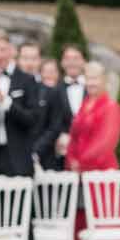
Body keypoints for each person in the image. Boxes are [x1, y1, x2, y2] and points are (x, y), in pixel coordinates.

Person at [63, 60, 120, 240]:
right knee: (80, 219)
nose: (91, 83)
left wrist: (84, 162)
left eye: (95, 78)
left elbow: (106, 142)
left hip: (100, 175)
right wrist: (71, 159)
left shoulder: (111, 107)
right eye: (88, 78)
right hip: (80, 174)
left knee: (98, 220)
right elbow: (74, 136)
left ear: (105, 80)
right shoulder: (84, 105)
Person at [0, 29, 41, 179]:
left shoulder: (27, 80)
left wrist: (5, 101)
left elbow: (32, 119)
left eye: (2, 50)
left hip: (20, 158)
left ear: (11, 50)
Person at [40, 43, 87, 174]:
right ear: (62, 62)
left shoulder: (92, 89)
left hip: (90, 155)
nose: (72, 63)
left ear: (84, 61)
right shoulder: (55, 91)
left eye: (76, 58)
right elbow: (49, 123)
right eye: (68, 58)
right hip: (62, 157)